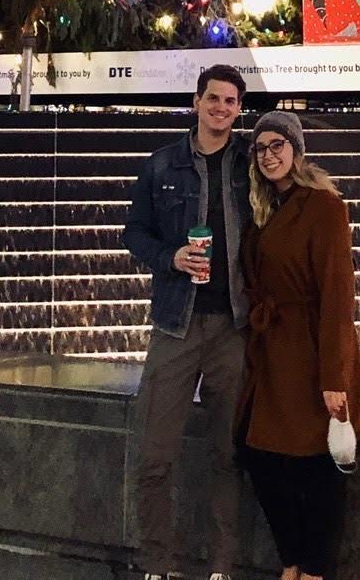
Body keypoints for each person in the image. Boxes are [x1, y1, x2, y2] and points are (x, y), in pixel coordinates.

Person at [121, 64, 254, 580]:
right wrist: (170, 258)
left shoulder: (249, 164)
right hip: (176, 324)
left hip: (232, 328)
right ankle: (157, 565)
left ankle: (221, 568)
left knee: (228, 454)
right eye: (213, 98)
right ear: (196, 101)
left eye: (230, 101)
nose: (221, 108)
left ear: (238, 109)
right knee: (156, 456)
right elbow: (134, 233)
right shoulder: (161, 166)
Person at [236, 110, 360, 580]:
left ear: (296, 151)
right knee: (259, 455)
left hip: (311, 350)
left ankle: (312, 569)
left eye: (278, 145)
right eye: (261, 148)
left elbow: (338, 295)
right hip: (272, 352)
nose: (269, 155)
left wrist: (334, 378)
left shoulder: (324, 206)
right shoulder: (262, 207)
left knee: (317, 466)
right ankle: (292, 559)